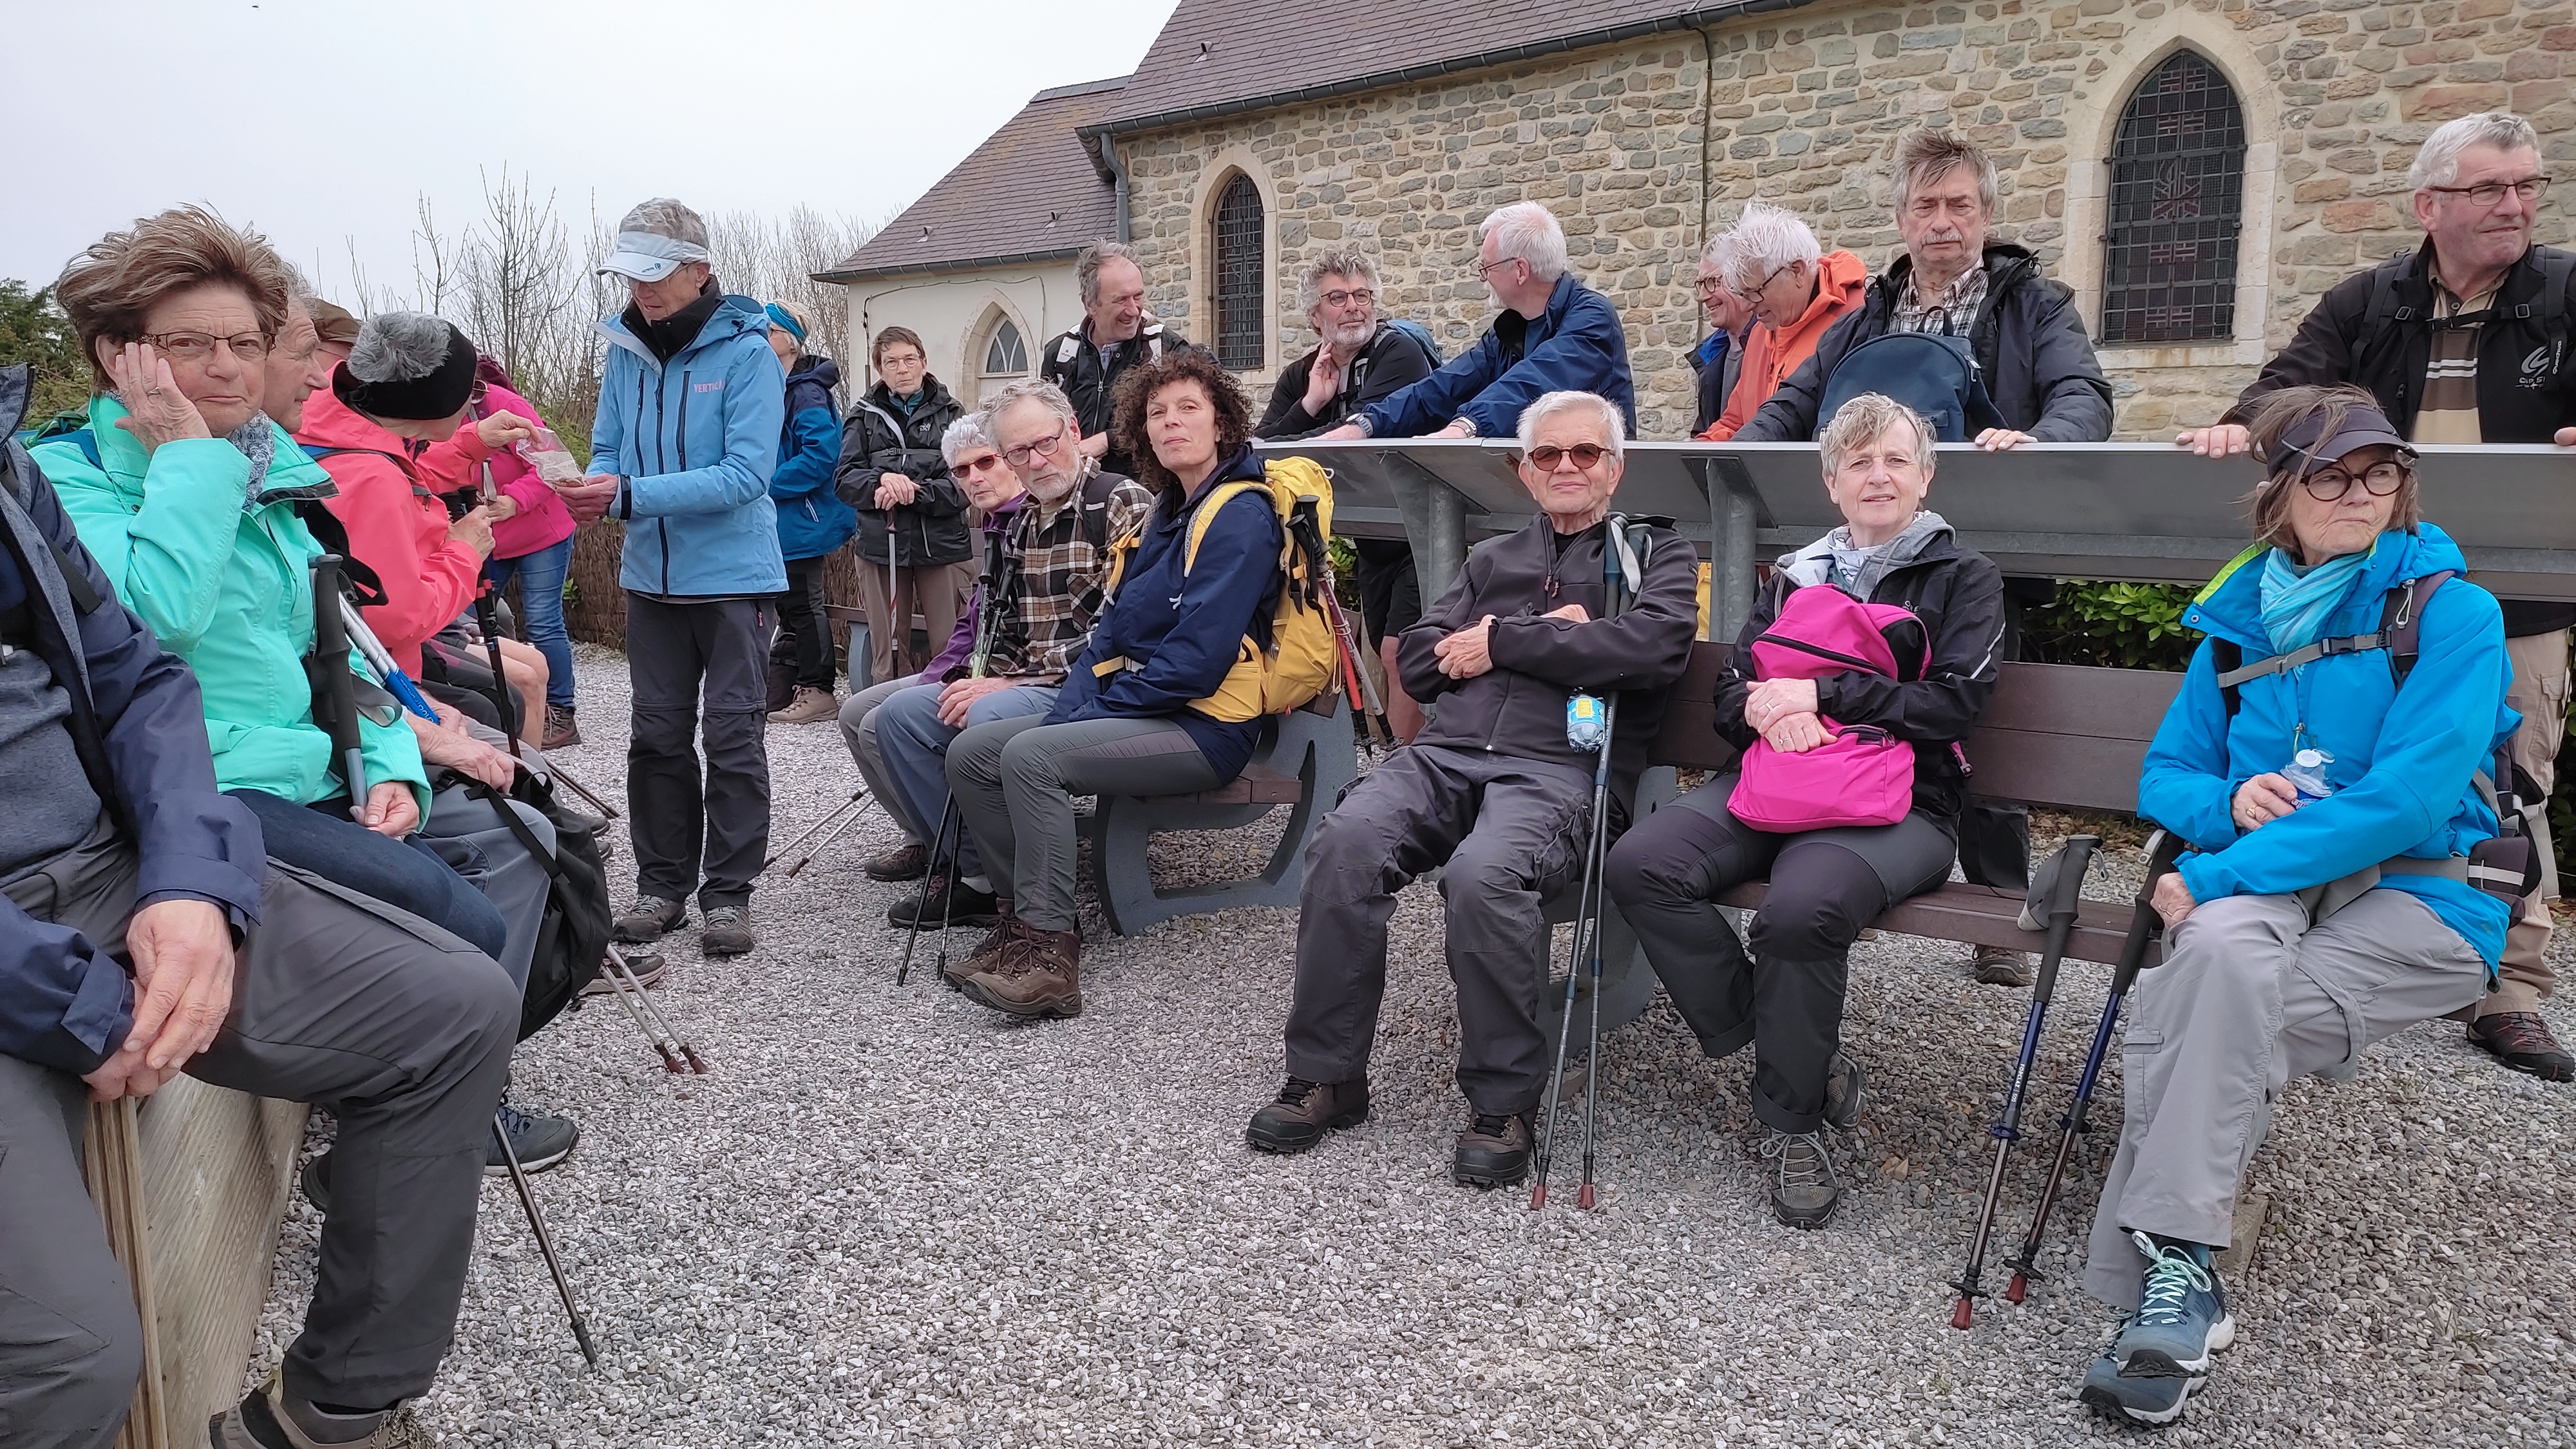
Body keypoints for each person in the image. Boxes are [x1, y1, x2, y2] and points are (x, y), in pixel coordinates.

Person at [0, 361, 519, 1449]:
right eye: (194, 341)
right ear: (120, 360)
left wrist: (189, 876)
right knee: (69, 1360)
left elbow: (150, 674)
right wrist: (65, 1000)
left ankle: (332, 1414)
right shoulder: (97, 466)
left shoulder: (13, 467)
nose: (235, 369)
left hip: (115, 847)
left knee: (464, 992)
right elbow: (181, 617)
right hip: (87, 894)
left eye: (252, 341)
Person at [2072, 385, 2515, 1426]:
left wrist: (2218, 871)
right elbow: (2166, 779)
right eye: (2331, 473)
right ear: (2280, 495)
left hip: (2422, 890)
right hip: (2269, 877)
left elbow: (2409, 798)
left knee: (2197, 1008)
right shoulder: (2232, 631)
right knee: (2218, 976)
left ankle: (2160, 1278)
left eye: (2381, 471)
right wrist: (2227, 801)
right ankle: (2182, 1285)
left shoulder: (2451, 612)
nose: (2361, 491)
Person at [2175, 111, 2576, 1081]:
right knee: (2359, 769)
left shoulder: (2568, 291)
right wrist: (2241, 427)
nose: (2516, 205)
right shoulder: (2371, 298)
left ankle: (2508, 989)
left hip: (2516, 594)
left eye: (2529, 186)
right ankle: (2358, 934)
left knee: (2510, 779)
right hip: (2379, 583)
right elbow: (2288, 386)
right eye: (2490, 188)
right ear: (2430, 204)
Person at [1250, 390, 1698, 1188]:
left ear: (1615, 468)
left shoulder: (1650, 555)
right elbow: (1420, 659)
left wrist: (1504, 641)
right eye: (1548, 455)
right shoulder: (1492, 559)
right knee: (1345, 847)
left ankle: (1502, 1099)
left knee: (1484, 876)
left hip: (1560, 768)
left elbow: (1652, 650)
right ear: (1525, 474)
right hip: (1447, 754)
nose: (1566, 468)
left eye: (1585, 454)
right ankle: (1327, 1075)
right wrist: (1556, 636)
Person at [1605, 393, 2004, 1227]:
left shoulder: (1963, 577)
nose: (1878, 475)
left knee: (1799, 911)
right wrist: (1760, 707)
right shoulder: (1794, 574)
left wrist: (1820, 691)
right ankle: (1791, 1043)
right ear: (1831, 482)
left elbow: (1953, 707)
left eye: (1896, 459)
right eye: (1859, 461)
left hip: (1899, 804)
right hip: (1770, 781)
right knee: (1642, 863)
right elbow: (1727, 695)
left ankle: (1792, 1119)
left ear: (1926, 476)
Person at [942, 350, 1286, 1018]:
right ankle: (1018, 925)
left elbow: (1195, 663)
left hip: (1205, 726)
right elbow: (1112, 634)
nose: (1171, 423)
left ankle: (1050, 957)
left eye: (1189, 408)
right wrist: (1075, 707)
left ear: (1223, 422)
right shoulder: (1170, 512)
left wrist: (1088, 713)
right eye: (1157, 412)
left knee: (1031, 754)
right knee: (973, 753)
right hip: (1153, 711)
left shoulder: (1239, 514)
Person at [556, 198, 785, 960]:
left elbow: (747, 475)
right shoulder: (623, 350)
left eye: (654, 275)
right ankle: (662, 887)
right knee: (654, 736)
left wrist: (627, 497)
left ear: (700, 269)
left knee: (731, 735)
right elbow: (608, 445)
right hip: (649, 580)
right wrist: (593, 486)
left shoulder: (749, 352)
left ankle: (728, 894)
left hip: (731, 579)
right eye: (629, 275)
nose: (640, 290)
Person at [876, 381, 1156, 947]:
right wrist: (978, 675)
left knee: (985, 722)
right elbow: (1002, 623)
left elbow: (1125, 633)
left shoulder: (1122, 502)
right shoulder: (1023, 520)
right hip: (1027, 679)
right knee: (897, 716)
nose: (1036, 461)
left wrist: (1008, 682)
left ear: (1075, 432)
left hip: (1095, 687)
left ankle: (1034, 906)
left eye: (1045, 443)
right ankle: (982, 876)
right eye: (1019, 453)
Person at [1732, 128, 2113, 450]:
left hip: (1992, 507)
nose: (1942, 222)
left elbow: (2083, 397)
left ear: (1987, 214)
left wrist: (2039, 442)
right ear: (1901, 221)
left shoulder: (2039, 308)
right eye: (1925, 206)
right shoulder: (1861, 325)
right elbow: (1791, 406)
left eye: (1959, 205)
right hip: (1877, 516)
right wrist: (1735, 456)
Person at [1254, 248, 1440, 743]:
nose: (1355, 307)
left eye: (1363, 295)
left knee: (1405, 652)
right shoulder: (1303, 377)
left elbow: (1360, 435)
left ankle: (1412, 770)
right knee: (1383, 648)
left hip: (1424, 528)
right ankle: (1403, 764)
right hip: (1373, 536)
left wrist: (1310, 430)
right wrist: (1312, 402)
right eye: (1338, 298)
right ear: (1315, 317)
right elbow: (1257, 449)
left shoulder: (1397, 354)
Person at [837, 413, 1024, 884]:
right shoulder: (999, 523)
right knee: (856, 711)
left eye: (986, 462)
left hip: (1017, 674)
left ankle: (973, 867)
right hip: (983, 663)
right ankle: (925, 835)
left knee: (890, 719)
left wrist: (987, 679)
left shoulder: (1032, 518)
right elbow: (972, 626)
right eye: (963, 470)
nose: (974, 478)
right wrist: (934, 676)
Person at [1318, 202, 1636, 445]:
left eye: (1486, 267)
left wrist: (1463, 428)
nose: (1482, 278)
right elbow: (1444, 386)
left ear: (1520, 271)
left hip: (1598, 496)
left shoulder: (1593, 319)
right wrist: (1363, 425)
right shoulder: (1509, 331)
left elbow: (1532, 383)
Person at [833, 326, 969, 688]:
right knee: (889, 648)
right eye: (891, 362)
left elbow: (965, 483)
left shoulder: (954, 414)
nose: (903, 369)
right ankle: (883, 721)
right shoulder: (862, 416)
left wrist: (913, 491)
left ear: (924, 363)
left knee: (952, 642)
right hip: (882, 545)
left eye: (910, 359)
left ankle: (946, 719)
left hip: (940, 545)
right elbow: (845, 480)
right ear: (881, 369)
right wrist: (880, 481)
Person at [464, 354, 583, 750]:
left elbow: (554, 465)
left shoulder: (504, 405)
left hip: (539, 531)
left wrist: (515, 500)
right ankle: (494, 704)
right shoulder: (435, 415)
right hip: (489, 536)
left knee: (544, 620)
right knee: (469, 620)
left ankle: (560, 714)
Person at [1696, 202, 1868, 440]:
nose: (1746, 306)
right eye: (1742, 294)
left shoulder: (1856, 323)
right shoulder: (1761, 332)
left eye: (1754, 291)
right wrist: (1693, 458)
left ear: (1796, 271)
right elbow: (1735, 421)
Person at [762, 300, 855, 724]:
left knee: (804, 603)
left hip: (802, 513)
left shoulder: (807, 391)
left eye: (769, 330)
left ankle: (819, 690)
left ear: (790, 340)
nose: (760, 337)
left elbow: (821, 456)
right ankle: (795, 685)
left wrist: (762, 484)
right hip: (783, 516)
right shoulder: (773, 386)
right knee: (788, 604)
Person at [1038, 241, 1192, 479]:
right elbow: (1043, 429)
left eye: (1138, 297)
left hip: (1148, 498)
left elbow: (1191, 422)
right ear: (1090, 304)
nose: (1133, 310)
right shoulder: (1061, 355)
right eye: (1121, 300)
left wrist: (1108, 440)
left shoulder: (1165, 349)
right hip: (1079, 500)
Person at [1690, 237, 1756, 437]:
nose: (1702, 297)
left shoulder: (1772, 348)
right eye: (1700, 284)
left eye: (1711, 282)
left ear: (1743, 280)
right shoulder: (1711, 353)